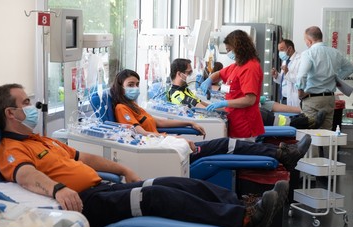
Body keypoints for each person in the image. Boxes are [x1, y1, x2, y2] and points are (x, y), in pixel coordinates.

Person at [0, 83, 290, 227]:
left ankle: (243, 207)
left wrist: (122, 169)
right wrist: (57, 190)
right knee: (155, 196)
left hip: (102, 188)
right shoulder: (10, 148)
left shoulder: (42, 140)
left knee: (175, 182)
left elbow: (83, 157)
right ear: (10, 114)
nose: (32, 106)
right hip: (83, 204)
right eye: (25, 102)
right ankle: (246, 222)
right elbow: (25, 175)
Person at [111, 69, 311, 172]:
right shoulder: (122, 108)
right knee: (227, 143)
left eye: (137, 84)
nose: (135, 87)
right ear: (120, 87)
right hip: (169, 152)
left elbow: (159, 122)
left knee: (228, 143)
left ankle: (283, 152)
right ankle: (283, 153)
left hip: (173, 148)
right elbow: (142, 133)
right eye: (131, 84)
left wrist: (187, 123)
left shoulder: (135, 107)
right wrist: (178, 141)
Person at [168, 58, 324, 129]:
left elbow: (205, 104)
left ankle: (303, 121)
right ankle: (304, 122)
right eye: (188, 72)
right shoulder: (178, 94)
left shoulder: (186, 89)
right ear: (179, 73)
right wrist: (230, 106)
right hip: (215, 118)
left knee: (260, 110)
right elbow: (202, 108)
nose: (191, 75)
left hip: (223, 111)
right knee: (259, 113)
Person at [296, 26, 353, 130]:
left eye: (305, 40)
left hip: (312, 99)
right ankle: (327, 147)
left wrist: (300, 92)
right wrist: (335, 78)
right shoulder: (335, 52)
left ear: (309, 40)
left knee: (310, 132)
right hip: (329, 99)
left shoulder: (308, 53)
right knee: (326, 133)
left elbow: (301, 75)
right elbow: (350, 68)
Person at [271, 39, 301, 107]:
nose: (280, 53)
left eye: (282, 50)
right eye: (279, 50)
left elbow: (300, 80)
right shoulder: (285, 61)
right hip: (284, 98)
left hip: (294, 98)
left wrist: (287, 72)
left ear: (289, 48)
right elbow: (284, 81)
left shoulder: (300, 59)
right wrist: (276, 76)